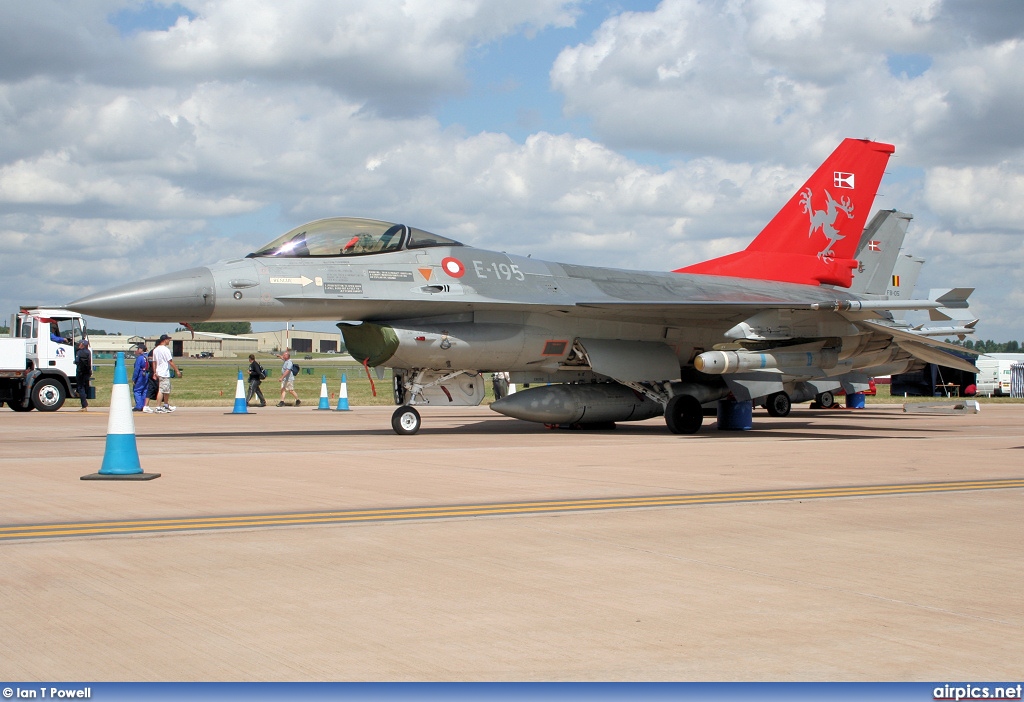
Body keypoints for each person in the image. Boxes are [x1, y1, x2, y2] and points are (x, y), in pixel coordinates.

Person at [153, 334, 182, 413]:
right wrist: (177, 371)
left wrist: (155, 372)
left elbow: (154, 362)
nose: (169, 341)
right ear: (164, 340)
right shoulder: (165, 350)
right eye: (168, 339)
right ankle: (158, 406)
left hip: (159, 372)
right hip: (164, 372)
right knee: (162, 390)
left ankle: (166, 405)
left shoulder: (156, 349)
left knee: (166, 390)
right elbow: (170, 361)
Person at [74, 338, 91, 411]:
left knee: (80, 387)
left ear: (82, 345)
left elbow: (77, 361)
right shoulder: (88, 352)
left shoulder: (79, 352)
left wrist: (74, 362)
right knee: (84, 386)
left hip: (80, 372)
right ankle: (84, 397)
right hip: (87, 372)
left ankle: (84, 405)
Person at [131, 345, 149, 412]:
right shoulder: (148, 356)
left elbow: (137, 369)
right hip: (147, 374)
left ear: (141, 349)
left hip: (141, 375)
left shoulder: (140, 358)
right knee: (144, 390)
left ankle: (139, 406)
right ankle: (144, 405)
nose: (137, 350)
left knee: (137, 390)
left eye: (138, 349)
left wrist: (134, 378)